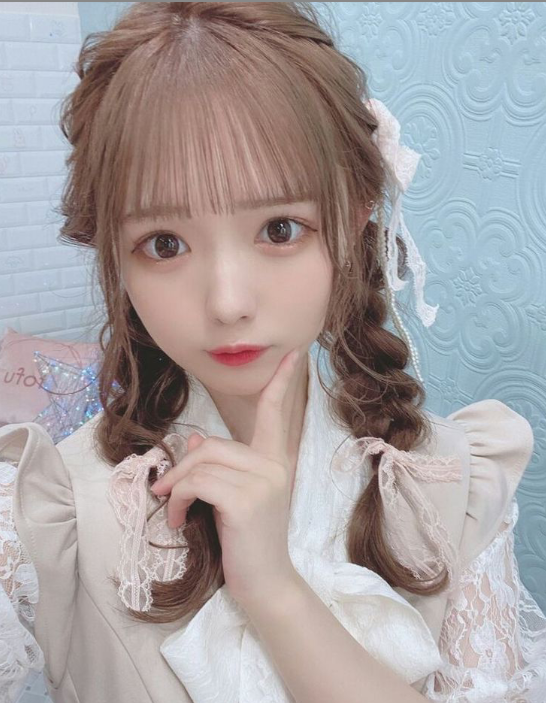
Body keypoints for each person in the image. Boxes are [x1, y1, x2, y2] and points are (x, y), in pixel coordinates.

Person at [1, 3, 545, 702]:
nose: (228, 302)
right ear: (114, 254)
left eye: (280, 229)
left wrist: (275, 591)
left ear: (355, 218)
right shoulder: (53, 509)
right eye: (165, 244)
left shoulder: (456, 479)